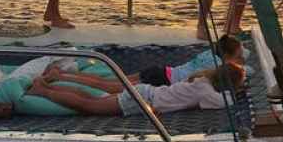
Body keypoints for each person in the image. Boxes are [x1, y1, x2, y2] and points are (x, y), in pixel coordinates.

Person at [27, 62, 245, 117]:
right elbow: (220, 103)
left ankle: (48, 86)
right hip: (141, 100)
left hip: (145, 92)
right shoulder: (206, 92)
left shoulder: (200, 80)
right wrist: (236, 94)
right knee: (89, 105)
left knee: (92, 96)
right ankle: (43, 91)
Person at [41, 34, 244, 92]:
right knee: (111, 87)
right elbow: (241, 72)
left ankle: (62, 76)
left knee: (110, 83)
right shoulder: (218, 67)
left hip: (161, 72)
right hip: (161, 80)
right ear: (228, 56)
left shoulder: (209, 54)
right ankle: (60, 77)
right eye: (237, 56)